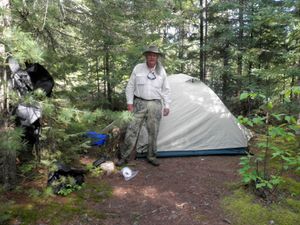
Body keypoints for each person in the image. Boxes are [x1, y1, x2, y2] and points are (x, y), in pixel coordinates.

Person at [116, 45, 171, 166]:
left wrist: (167, 105)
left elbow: (166, 90)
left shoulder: (161, 71)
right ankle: (124, 157)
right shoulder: (138, 68)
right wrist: (130, 103)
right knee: (132, 129)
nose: (152, 57)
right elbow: (130, 86)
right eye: (150, 55)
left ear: (157, 58)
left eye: (154, 55)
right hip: (139, 103)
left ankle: (151, 156)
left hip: (155, 104)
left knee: (153, 131)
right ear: (146, 56)